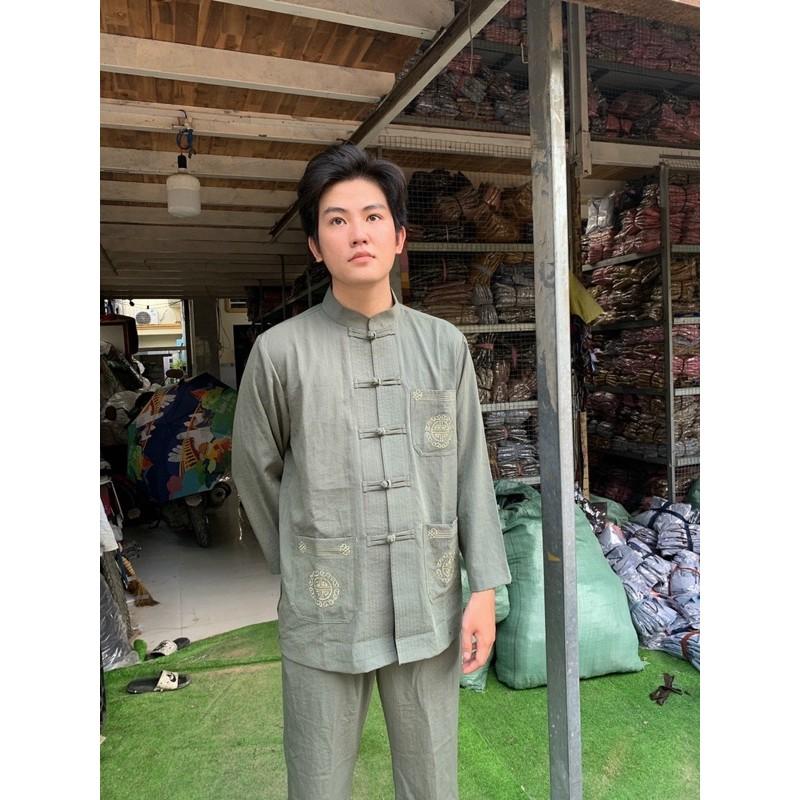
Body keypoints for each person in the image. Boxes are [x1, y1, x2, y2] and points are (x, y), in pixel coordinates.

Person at [232, 143, 511, 800]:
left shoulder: (443, 346)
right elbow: (254, 469)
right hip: (325, 609)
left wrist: (483, 590)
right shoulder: (279, 353)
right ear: (314, 245)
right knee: (317, 779)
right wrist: (304, 554)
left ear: (399, 236)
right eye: (337, 220)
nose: (357, 233)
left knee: (431, 779)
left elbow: (470, 468)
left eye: (373, 216)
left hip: (428, 598)